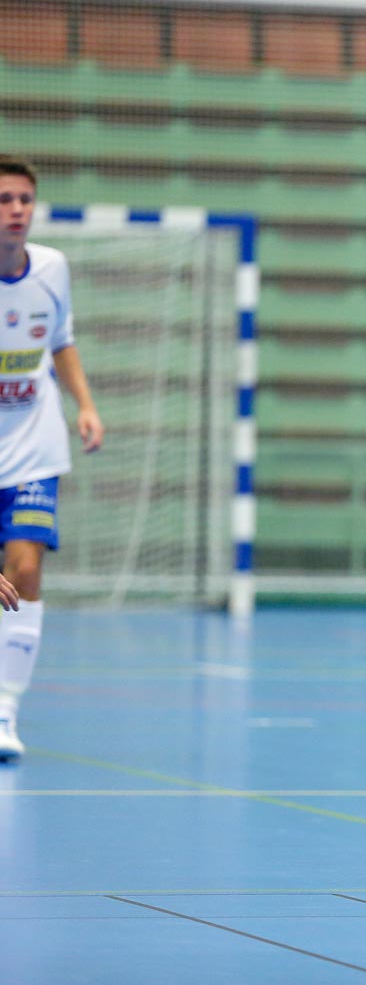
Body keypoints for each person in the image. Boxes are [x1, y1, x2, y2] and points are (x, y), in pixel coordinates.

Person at [0, 155, 105, 764]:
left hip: (35, 448)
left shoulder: (52, 270)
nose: (16, 210)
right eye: (4, 199)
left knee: (25, 571)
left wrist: (84, 405)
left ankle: (6, 709)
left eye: (24, 199)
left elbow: (61, 341)